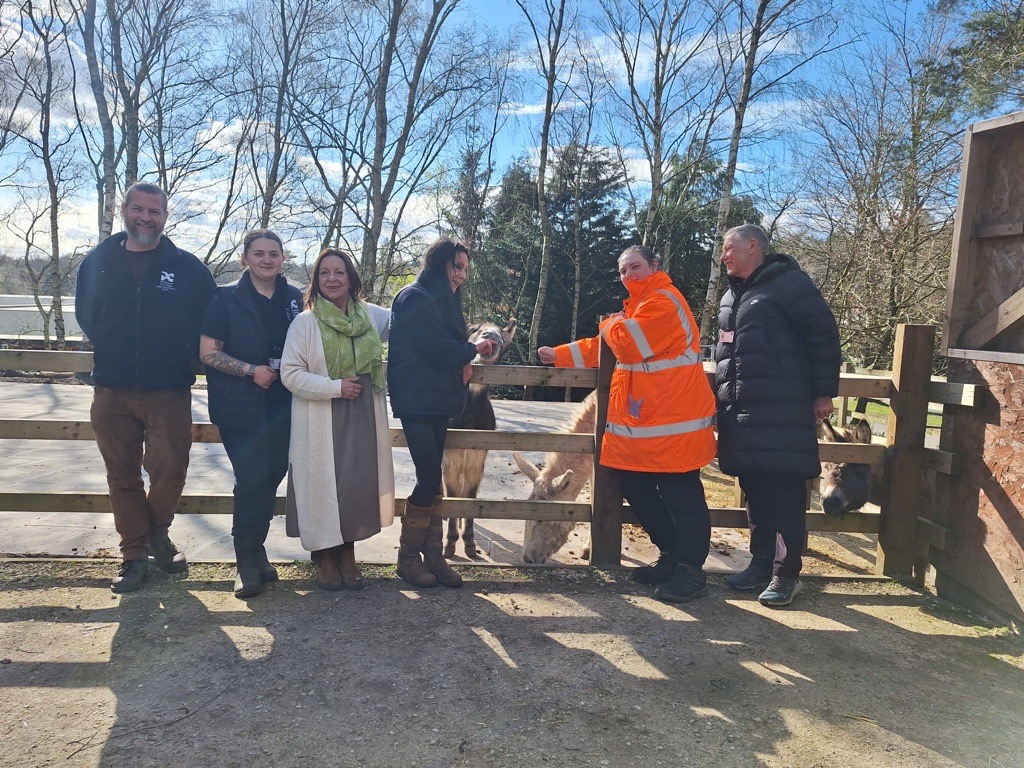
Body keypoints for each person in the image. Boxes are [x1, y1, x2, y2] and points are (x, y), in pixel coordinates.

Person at [538, 245, 718, 604]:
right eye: (622, 271)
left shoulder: (664, 301)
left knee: (683, 497)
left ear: (655, 265)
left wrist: (608, 323)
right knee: (636, 488)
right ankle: (671, 556)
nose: (628, 275)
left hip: (675, 426)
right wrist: (559, 355)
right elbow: (606, 346)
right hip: (649, 426)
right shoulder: (637, 309)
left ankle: (691, 571)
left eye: (635, 267)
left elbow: (626, 344)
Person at [75, 181, 216, 593]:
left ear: (165, 217)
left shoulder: (187, 267)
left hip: (168, 389)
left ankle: (157, 532)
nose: (146, 218)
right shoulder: (98, 261)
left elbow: (209, 321)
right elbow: (88, 315)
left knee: (171, 469)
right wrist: (117, 348)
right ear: (125, 210)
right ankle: (134, 554)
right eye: (139, 209)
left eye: (154, 212)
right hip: (112, 389)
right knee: (121, 475)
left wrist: (176, 356)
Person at [715, 223, 842, 607]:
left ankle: (786, 574)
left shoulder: (790, 285)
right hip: (742, 410)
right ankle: (760, 563)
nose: (723, 256)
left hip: (783, 408)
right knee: (755, 491)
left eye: (728, 249)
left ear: (752, 246)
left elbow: (823, 335)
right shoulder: (732, 296)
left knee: (785, 492)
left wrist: (823, 391)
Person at [280, 248, 394, 591]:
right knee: (321, 483)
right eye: (325, 273)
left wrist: (477, 341)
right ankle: (326, 557)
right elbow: (290, 373)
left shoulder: (370, 317)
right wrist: (333, 387)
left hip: (363, 413)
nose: (332, 279)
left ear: (351, 279)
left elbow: (411, 319)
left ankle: (348, 553)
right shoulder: (305, 323)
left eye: (339, 272)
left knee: (356, 484)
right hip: (321, 413)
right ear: (316, 281)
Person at [199, 230, 302, 599]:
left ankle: (257, 553)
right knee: (251, 479)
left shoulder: (295, 299)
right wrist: (249, 370)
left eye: (274, 253)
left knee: (272, 477)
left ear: (283, 258)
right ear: (244, 258)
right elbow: (209, 352)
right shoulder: (225, 298)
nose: (266, 259)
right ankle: (245, 563)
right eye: (258, 253)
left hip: (285, 406)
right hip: (239, 407)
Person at [387, 237, 495, 589]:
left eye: (465, 268)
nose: (462, 275)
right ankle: (408, 558)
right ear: (439, 264)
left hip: (437, 402)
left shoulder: (444, 301)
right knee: (428, 477)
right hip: (417, 400)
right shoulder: (415, 297)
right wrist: (471, 349)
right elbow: (437, 348)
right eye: (457, 266)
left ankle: (432, 555)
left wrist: (462, 358)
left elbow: (447, 349)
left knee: (432, 477)